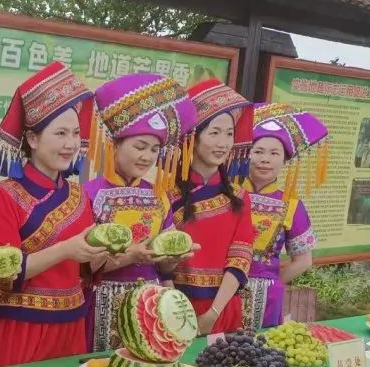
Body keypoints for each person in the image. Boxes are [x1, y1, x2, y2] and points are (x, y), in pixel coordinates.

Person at [0, 62, 108, 367]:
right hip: (21, 329)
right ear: (32, 139)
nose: (71, 144)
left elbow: (86, 268)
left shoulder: (78, 195)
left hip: (72, 328)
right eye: (60, 133)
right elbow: (7, 275)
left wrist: (111, 252)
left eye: (75, 133)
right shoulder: (5, 196)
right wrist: (65, 250)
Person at [83, 73, 198, 351]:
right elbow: (85, 266)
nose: (147, 156)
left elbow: (164, 268)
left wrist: (172, 259)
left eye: (155, 149)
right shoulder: (88, 194)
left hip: (152, 306)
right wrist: (132, 255)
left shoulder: (159, 196)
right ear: (115, 144)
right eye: (139, 147)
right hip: (101, 303)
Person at [165, 78, 256, 335]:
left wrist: (213, 313)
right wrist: (178, 311)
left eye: (229, 134)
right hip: (173, 307)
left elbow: (240, 258)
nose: (223, 143)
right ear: (193, 137)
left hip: (222, 308)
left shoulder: (239, 196)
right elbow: (160, 260)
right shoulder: (165, 194)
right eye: (214, 133)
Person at [241, 103, 327, 330]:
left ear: (285, 160)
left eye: (274, 153)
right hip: (219, 290)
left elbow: (303, 260)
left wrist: (270, 282)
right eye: (258, 151)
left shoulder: (291, 205)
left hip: (267, 298)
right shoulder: (229, 195)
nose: (265, 159)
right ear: (246, 155)